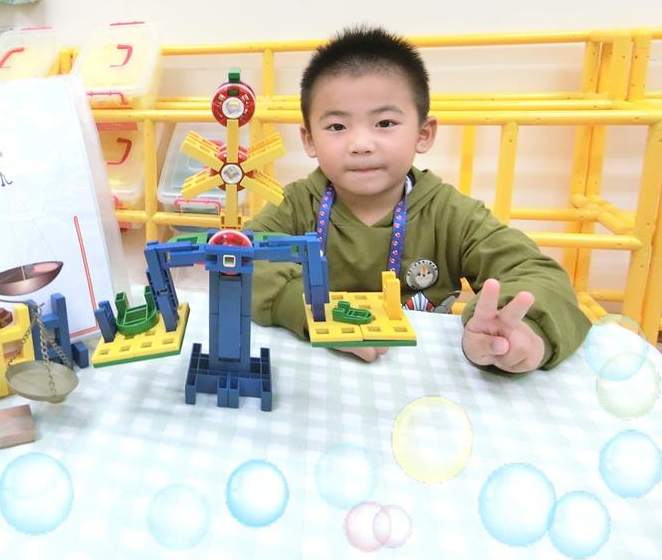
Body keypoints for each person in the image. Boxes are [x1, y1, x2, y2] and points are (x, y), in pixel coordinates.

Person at [245, 26, 589, 372]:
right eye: (337, 127)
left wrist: (522, 331)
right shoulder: (296, 204)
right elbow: (240, 258)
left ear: (423, 134)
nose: (361, 144)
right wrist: (303, 307)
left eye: (385, 123)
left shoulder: (451, 214)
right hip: (318, 374)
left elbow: (534, 273)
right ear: (309, 140)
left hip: (425, 381)